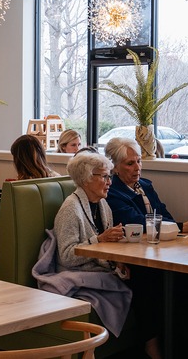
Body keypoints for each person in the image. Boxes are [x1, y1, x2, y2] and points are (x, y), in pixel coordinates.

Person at [34, 152, 159, 356]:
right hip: (78, 275)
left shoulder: (103, 204)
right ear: (86, 179)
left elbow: (105, 246)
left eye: (109, 176)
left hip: (101, 271)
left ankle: (153, 343)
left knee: (150, 277)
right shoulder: (70, 209)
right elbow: (66, 256)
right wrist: (99, 240)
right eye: (104, 176)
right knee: (144, 282)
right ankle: (151, 345)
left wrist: (117, 261)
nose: (109, 182)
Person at [104, 137, 188, 233]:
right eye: (130, 163)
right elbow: (136, 222)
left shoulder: (145, 186)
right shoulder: (111, 192)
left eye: (139, 161)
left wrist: (179, 227)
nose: (137, 167)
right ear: (114, 167)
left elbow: (165, 216)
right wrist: (182, 227)